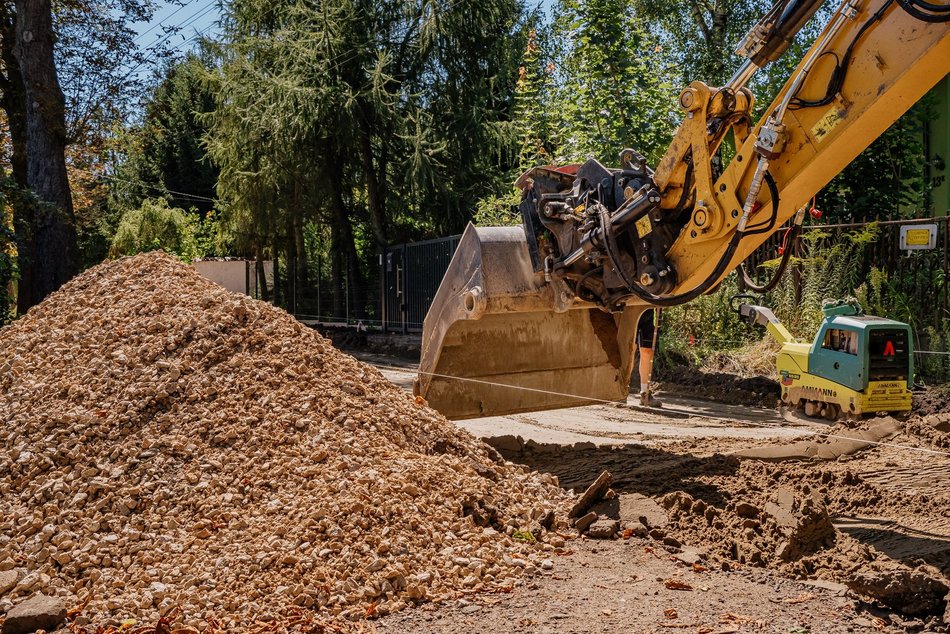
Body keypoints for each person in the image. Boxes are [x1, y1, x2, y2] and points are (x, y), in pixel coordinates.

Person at [637, 308, 662, 408]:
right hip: (628, 306)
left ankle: (644, 393)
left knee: (647, 352)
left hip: (649, 309)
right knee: (629, 348)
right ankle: (622, 389)